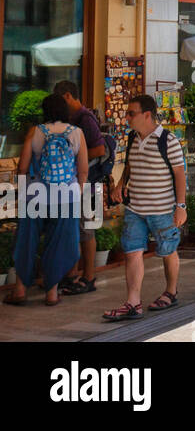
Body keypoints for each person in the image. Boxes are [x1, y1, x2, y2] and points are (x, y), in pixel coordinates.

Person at [103, 95, 186, 322]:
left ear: (147, 115)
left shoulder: (167, 140)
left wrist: (181, 206)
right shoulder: (132, 138)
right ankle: (133, 302)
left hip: (162, 209)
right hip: (135, 209)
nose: (127, 117)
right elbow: (130, 164)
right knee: (132, 252)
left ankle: (171, 292)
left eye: (131, 113)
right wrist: (121, 184)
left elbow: (180, 173)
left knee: (167, 250)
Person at [5, 94, 88, 307]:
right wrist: (76, 193)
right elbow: (83, 170)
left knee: (27, 239)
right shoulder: (77, 133)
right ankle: (51, 293)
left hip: (36, 194)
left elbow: (23, 167)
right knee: (58, 241)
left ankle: (20, 290)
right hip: (66, 196)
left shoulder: (35, 132)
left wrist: (23, 192)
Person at [53, 80, 105, 297]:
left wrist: (75, 160)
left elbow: (99, 148)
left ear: (67, 96)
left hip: (88, 184)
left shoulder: (85, 118)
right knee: (75, 230)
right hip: (75, 183)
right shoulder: (72, 119)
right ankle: (72, 275)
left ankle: (89, 277)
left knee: (86, 230)